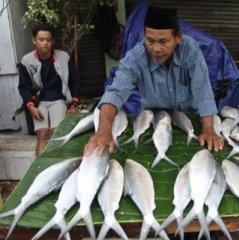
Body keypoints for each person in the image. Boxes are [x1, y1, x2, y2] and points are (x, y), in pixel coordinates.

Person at [84, 6, 224, 156]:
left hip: (190, 118)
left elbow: (202, 89)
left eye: (163, 41)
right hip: (154, 120)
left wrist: (209, 128)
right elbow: (115, 93)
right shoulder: (136, 57)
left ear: (178, 37)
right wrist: (103, 130)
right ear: (144, 35)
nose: (156, 48)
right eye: (150, 40)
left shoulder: (189, 50)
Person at [18, 23, 80, 156]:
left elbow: (75, 80)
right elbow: (24, 86)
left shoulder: (63, 57)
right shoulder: (26, 61)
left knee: (56, 133)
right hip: (39, 102)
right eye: (41, 39)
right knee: (42, 134)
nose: (45, 43)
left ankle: (56, 166)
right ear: (34, 40)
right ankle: (39, 169)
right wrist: (30, 106)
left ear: (53, 41)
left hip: (58, 100)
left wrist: (73, 104)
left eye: (48, 40)